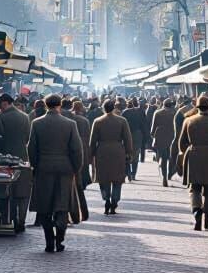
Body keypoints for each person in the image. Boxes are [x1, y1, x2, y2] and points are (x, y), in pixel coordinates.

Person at [27, 94, 83, 253]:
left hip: (44, 168)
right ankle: (60, 238)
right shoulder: (70, 124)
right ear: (59, 105)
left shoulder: (37, 123)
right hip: (65, 169)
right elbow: (77, 150)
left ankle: (49, 241)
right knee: (62, 204)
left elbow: (31, 148)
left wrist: (35, 166)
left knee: (44, 206)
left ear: (45, 105)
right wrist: (75, 168)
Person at [178, 94, 208, 231]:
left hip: (194, 157)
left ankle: (196, 212)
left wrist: (189, 151)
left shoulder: (188, 121)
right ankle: (207, 221)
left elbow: (181, 144)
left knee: (195, 189)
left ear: (197, 107)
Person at [89, 98, 133, 215]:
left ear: (103, 108)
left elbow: (92, 141)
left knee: (104, 178)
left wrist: (91, 154)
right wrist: (129, 152)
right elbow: (127, 139)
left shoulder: (97, 121)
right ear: (113, 108)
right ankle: (115, 200)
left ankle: (106, 198)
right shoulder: (122, 120)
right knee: (117, 178)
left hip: (102, 151)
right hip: (118, 151)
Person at [62, 98, 92, 221]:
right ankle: (81, 214)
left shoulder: (66, 120)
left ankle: (70, 215)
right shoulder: (82, 120)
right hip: (78, 155)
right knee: (78, 189)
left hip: (66, 157)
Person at [0, 93, 31, 161]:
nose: (0, 108)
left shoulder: (2, 118)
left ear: (5, 103)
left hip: (6, 155)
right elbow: (28, 137)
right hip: (22, 154)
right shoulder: (25, 116)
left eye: (0, 106)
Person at [149, 98, 177, 187]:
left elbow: (153, 128)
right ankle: (169, 174)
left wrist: (153, 135)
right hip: (172, 137)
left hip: (160, 137)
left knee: (163, 158)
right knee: (172, 157)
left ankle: (164, 177)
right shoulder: (175, 113)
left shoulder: (157, 113)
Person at [122, 97, 147, 182]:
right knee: (136, 155)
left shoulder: (125, 112)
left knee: (127, 154)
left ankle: (128, 173)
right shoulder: (141, 112)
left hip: (127, 134)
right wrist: (145, 137)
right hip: (138, 134)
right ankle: (133, 174)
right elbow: (144, 125)